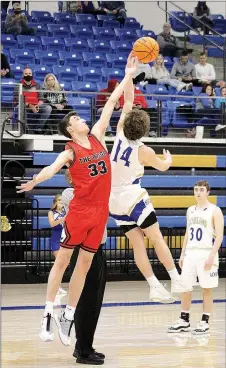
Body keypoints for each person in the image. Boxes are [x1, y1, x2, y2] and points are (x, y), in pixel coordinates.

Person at [16, 53, 139, 346]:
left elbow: (112, 103)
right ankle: (47, 312)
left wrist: (128, 75)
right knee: (63, 262)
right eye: (76, 118)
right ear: (71, 128)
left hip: (100, 214)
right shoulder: (70, 150)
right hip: (81, 211)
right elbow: (52, 168)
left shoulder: (97, 135)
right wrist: (35, 180)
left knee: (84, 265)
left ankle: (68, 315)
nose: (82, 118)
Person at [109, 76, 188, 304]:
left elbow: (128, 101)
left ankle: (154, 285)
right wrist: (168, 159)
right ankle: (176, 278)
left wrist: (130, 75)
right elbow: (163, 167)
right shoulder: (145, 151)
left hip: (112, 201)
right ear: (144, 130)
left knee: (137, 243)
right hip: (132, 196)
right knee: (156, 237)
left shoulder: (120, 133)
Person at [62, 169, 107, 365]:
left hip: (97, 250)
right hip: (83, 252)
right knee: (86, 302)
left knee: (94, 302)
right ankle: (83, 350)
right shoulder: (69, 194)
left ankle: (84, 345)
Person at [168, 180, 224, 334]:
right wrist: (182, 252)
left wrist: (212, 256)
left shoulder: (215, 210)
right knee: (185, 287)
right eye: (196, 189)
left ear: (207, 192)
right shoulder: (190, 210)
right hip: (191, 253)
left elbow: (219, 236)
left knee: (207, 288)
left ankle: (205, 321)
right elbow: (187, 232)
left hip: (207, 252)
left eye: (201, 190)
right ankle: (184, 320)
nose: (198, 192)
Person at [13, 67, 52, 134]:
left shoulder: (37, 85)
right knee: (19, 107)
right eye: (26, 74)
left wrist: (38, 105)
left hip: (36, 105)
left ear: (32, 74)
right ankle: (25, 128)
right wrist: (30, 105)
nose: (28, 75)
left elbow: (41, 98)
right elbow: (18, 99)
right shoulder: (18, 85)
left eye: (29, 73)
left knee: (48, 108)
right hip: (24, 105)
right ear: (23, 75)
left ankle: (38, 128)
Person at [48, 194, 67, 296]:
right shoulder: (51, 212)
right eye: (59, 200)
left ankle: (57, 285)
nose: (61, 202)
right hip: (56, 239)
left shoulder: (66, 211)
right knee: (59, 263)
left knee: (62, 264)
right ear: (55, 202)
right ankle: (56, 286)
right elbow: (52, 224)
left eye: (62, 201)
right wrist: (62, 219)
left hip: (65, 238)